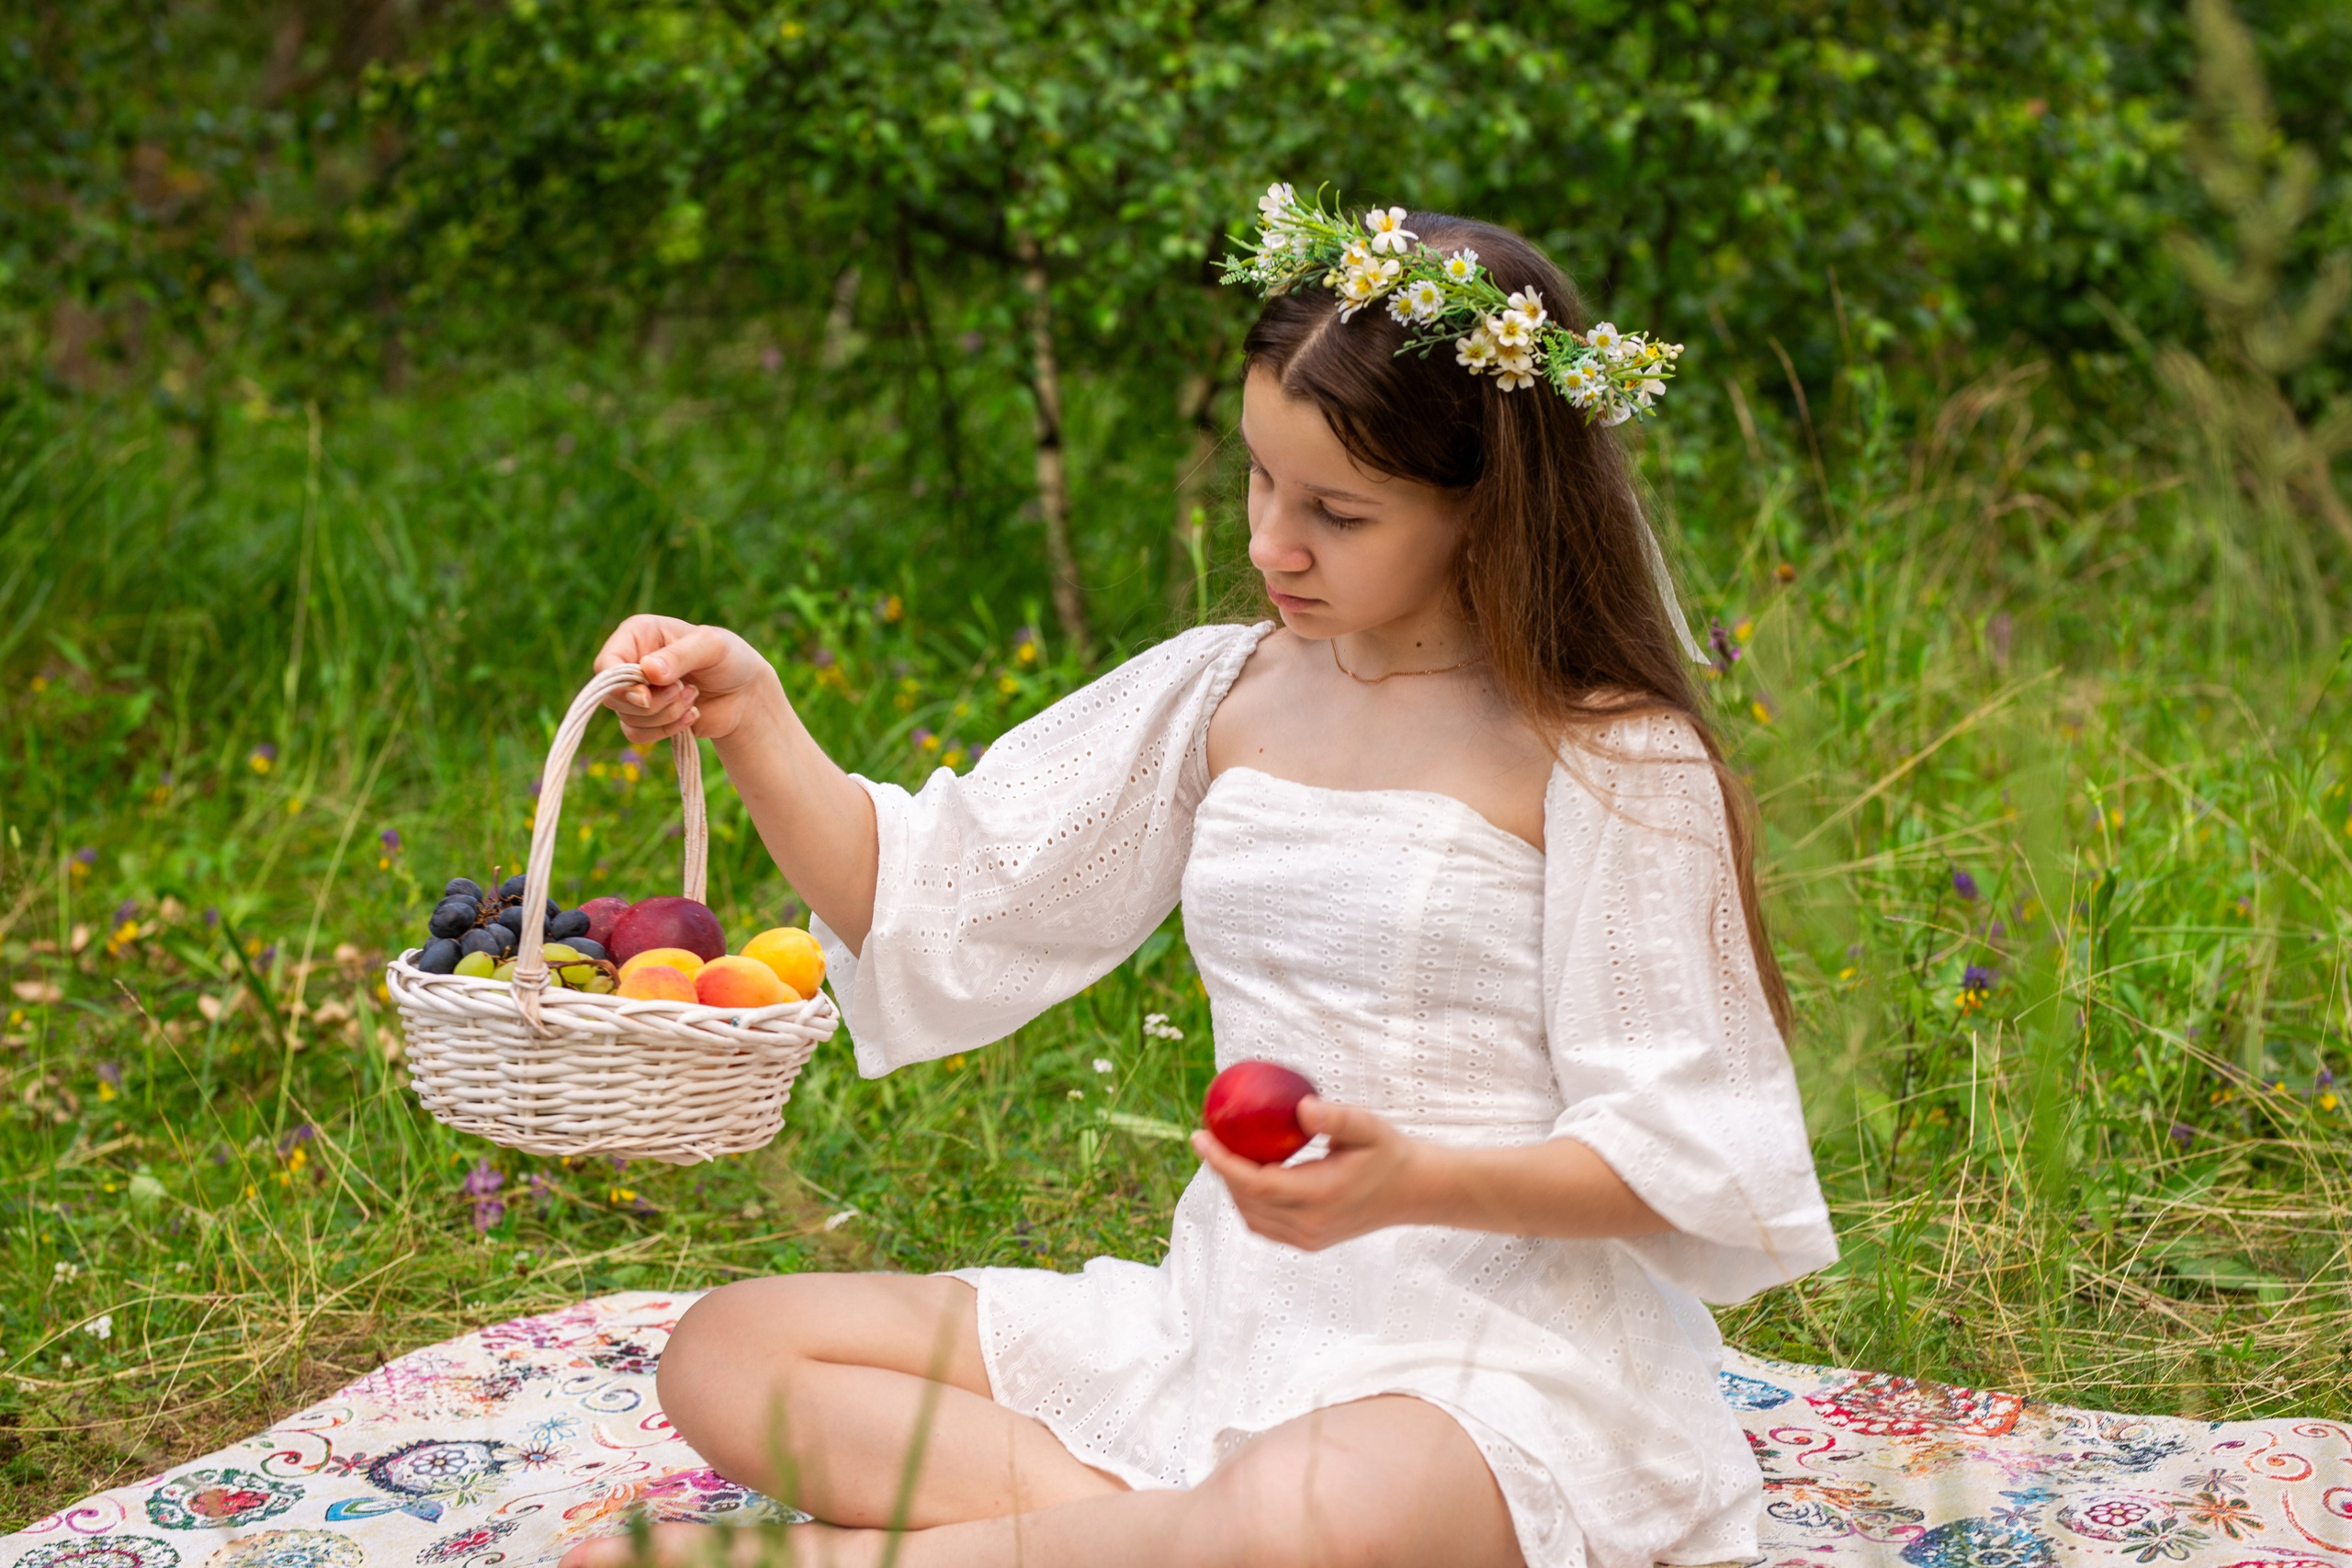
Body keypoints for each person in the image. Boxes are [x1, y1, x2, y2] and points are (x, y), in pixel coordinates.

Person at [560, 186, 1836, 1568]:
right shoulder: (1225, 693)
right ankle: (1162, 1537)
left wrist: (1412, 1181)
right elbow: (934, 893)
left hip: (1490, 1362)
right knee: (728, 1350)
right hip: (1230, 1314)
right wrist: (748, 710)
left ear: (1485, 507)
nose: (1268, 544)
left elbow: (1691, 1160)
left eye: (1337, 512)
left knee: (1317, 1514)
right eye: (1257, 477)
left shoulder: (1611, 762)